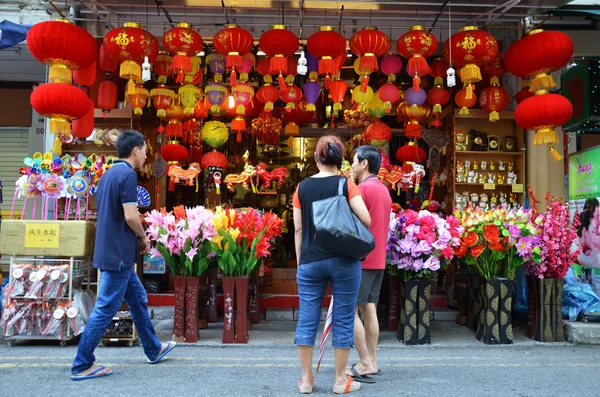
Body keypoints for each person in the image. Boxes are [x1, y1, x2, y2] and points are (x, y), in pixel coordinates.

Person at [71, 130, 176, 381]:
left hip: (114, 251)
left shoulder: (108, 174)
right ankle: (82, 363)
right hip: (118, 254)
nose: (146, 155)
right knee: (106, 308)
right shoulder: (128, 175)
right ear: (136, 150)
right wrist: (143, 236)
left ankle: (152, 348)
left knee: (138, 297)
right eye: (144, 150)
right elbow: (130, 216)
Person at [293, 135, 371, 395]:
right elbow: (366, 220)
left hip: (310, 260)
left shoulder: (301, 188)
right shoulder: (346, 184)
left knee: (307, 318)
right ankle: (340, 380)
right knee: (344, 318)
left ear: (316, 158)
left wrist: (300, 262)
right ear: (340, 160)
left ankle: (306, 380)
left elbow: (299, 228)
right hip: (344, 261)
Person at [346, 145, 392, 383]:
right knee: (369, 308)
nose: (352, 165)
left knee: (349, 309)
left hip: (361, 259)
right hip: (378, 259)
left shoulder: (361, 189)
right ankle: (372, 360)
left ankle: (364, 362)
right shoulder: (383, 189)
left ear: (364, 164)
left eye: (354, 160)